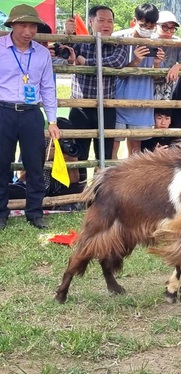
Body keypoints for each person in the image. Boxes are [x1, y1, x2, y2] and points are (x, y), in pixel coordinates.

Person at [0, 4, 60, 230]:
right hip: (3, 111)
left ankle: (35, 213)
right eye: (23, 25)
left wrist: (52, 120)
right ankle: (1, 213)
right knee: (1, 163)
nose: (28, 31)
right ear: (12, 25)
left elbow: (47, 88)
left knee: (35, 165)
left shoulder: (42, 53)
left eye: (33, 26)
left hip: (31, 114)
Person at [65, 5, 128, 180]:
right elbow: (65, 53)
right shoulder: (81, 41)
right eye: (101, 20)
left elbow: (116, 61)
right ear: (91, 22)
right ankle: (80, 191)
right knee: (79, 151)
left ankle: (101, 193)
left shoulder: (119, 43)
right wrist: (67, 33)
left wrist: (86, 62)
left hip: (106, 106)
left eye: (110, 21)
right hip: (80, 107)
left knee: (105, 153)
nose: (106, 25)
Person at [112, 3, 164, 158]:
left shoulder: (157, 41)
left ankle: (130, 181)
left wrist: (156, 63)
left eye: (152, 25)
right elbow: (116, 73)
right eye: (143, 25)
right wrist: (135, 61)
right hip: (118, 100)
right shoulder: (119, 38)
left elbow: (157, 78)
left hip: (143, 102)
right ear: (133, 21)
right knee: (113, 145)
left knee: (135, 150)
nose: (147, 28)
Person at [153, 11, 181, 101]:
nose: (168, 31)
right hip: (147, 87)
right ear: (155, 26)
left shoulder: (177, 42)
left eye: (172, 28)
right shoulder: (148, 40)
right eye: (164, 27)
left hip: (166, 91)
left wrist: (177, 66)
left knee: (164, 114)